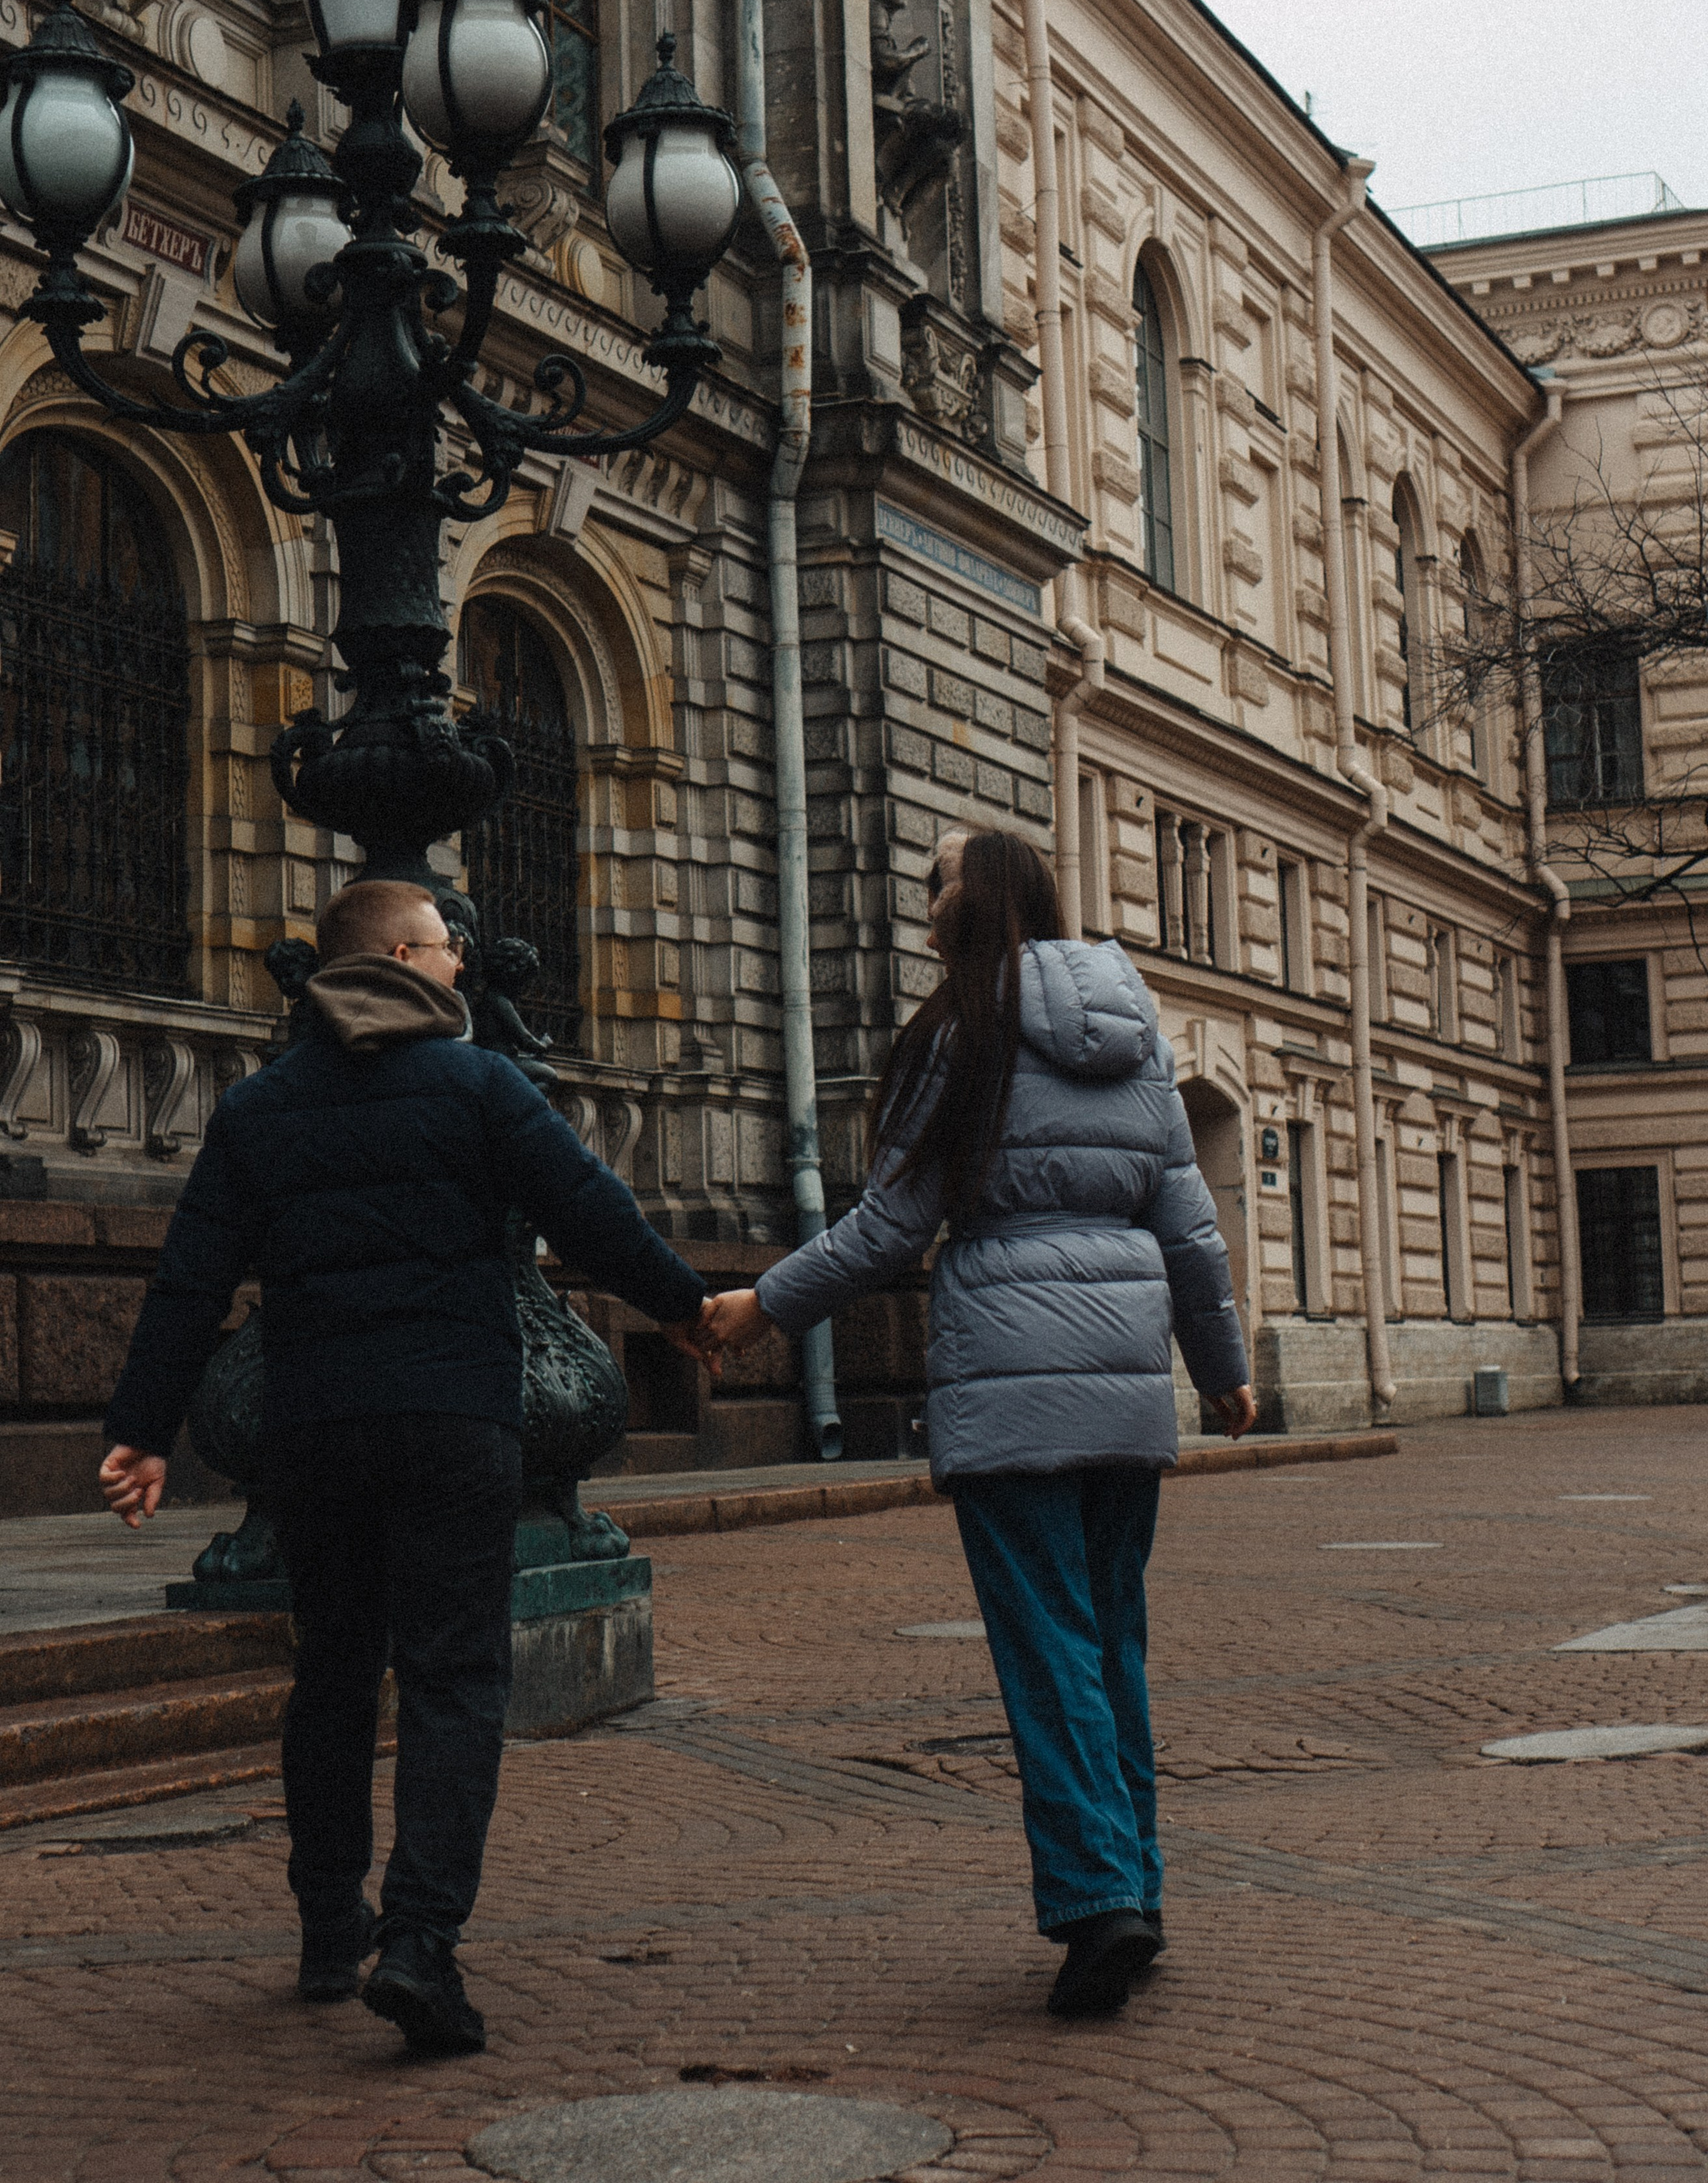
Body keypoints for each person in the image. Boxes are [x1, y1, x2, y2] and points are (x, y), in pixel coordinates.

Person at [99, 880, 713, 2057]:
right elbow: (590, 1214)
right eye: (446, 947)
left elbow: (190, 1279)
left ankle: (332, 1927)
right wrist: (686, 1309)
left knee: (331, 1675)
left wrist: (140, 1430)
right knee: (451, 1680)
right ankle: (422, 1946)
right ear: (395, 954)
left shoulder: (262, 1110)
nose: (461, 966)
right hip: (452, 1422)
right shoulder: (481, 1084)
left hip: (315, 1429)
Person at [701, 827, 1255, 2018]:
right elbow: (1187, 1220)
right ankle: (1140, 1889)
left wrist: (765, 1304)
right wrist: (1223, 1368)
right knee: (1111, 1642)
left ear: (987, 898)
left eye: (937, 882)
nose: (926, 904)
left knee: (1047, 1646)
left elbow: (889, 1227)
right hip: (1121, 1379)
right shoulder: (1135, 1026)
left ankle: (1099, 1899)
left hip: (1011, 1375)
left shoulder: (962, 1036)